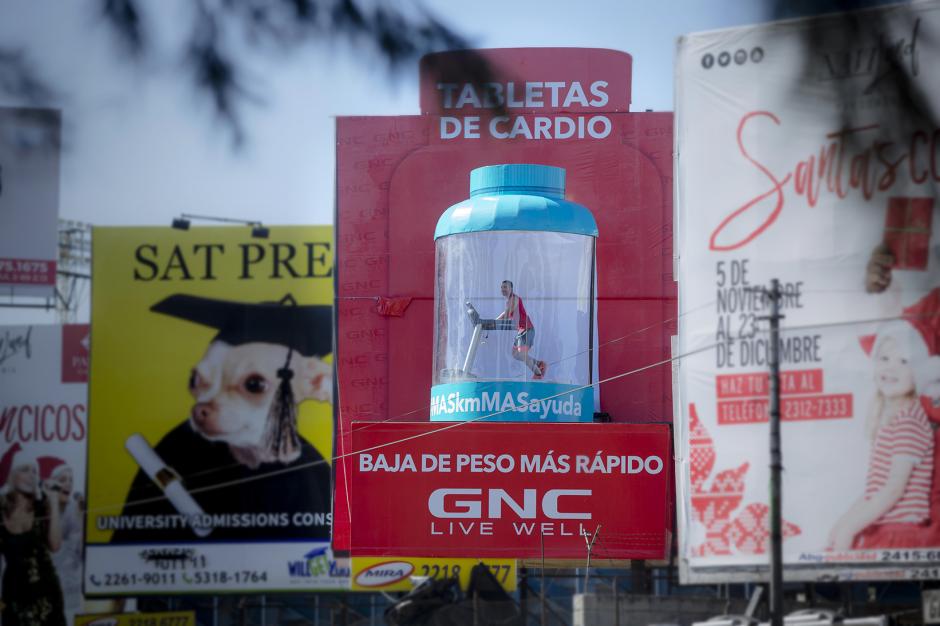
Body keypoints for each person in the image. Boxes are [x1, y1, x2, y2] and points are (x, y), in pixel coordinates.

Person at [827, 318, 934, 550]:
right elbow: (873, 491)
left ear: (918, 371)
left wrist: (849, 527)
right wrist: (843, 523)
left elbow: (894, 488)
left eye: (903, 361)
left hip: (900, 535)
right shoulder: (895, 419)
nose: (890, 367)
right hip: (886, 529)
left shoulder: (909, 421)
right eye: (884, 358)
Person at [0, 443, 65, 626]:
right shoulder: (1, 510)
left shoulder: (42, 505)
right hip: (13, 593)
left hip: (46, 592)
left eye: (34, 471)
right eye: (25, 469)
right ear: (13, 475)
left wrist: (53, 500)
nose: (31, 475)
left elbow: (55, 546)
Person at [38, 458, 82, 620]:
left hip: (68, 592)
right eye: (63, 480)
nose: (68, 484)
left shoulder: (73, 510)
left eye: (71, 480)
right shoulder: (38, 509)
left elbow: (77, 557)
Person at [496, 280, 546, 379]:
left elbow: (507, 313)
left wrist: (495, 321)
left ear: (511, 289)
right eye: (502, 287)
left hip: (527, 330)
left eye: (505, 287)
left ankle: (538, 374)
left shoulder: (514, 299)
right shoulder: (510, 301)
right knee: (515, 354)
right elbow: (506, 313)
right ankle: (539, 364)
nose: (503, 289)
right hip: (522, 331)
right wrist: (495, 320)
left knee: (521, 354)